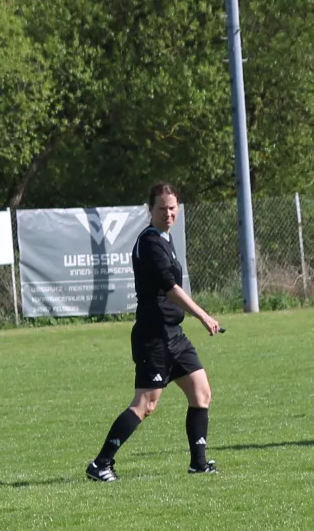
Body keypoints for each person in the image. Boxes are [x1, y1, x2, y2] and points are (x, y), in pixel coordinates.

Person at [86, 182, 223, 481]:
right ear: (150, 210)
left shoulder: (165, 238)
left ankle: (198, 463)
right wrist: (202, 315)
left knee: (201, 394)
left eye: (173, 208)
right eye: (162, 208)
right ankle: (101, 464)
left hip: (174, 335)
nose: (169, 213)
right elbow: (171, 289)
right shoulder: (150, 242)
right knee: (145, 404)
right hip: (154, 337)